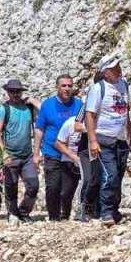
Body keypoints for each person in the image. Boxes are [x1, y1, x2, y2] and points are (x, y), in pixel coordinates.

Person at [85, 55, 131, 226]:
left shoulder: (124, 85)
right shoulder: (98, 89)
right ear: (105, 72)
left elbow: (125, 111)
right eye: (114, 67)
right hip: (104, 138)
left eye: (119, 66)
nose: (118, 69)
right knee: (110, 175)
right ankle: (105, 211)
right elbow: (90, 116)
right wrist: (93, 141)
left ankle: (114, 209)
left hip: (121, 139)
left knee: (119, 176)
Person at [34, 75, 84, 221]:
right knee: (53, 186)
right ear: (57, 87)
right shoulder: (48, 105)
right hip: (51, 151)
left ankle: (65, 214)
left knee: (68, 188)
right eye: (63, 86)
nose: (67, 88)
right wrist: (36, 153)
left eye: (69, 85)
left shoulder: (79, 105)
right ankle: (54, 217)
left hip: (70, 153)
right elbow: (39, 130)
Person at [0, 79, 39, 224]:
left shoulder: (28, 108)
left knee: (33, 185)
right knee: (11, 186)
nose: (15, 94)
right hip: (10, 155)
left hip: (27, 155)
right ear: (7, 92)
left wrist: (33, 100)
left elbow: (44, 113)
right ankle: (12, 213)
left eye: (18, 91)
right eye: (12, 91)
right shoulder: (3, 110)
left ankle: (24, 212)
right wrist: (3, 153)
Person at [75, 71, 105, 222]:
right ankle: (82, 207)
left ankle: (99, 209)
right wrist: (93, 130)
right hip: (86, 150)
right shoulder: (87, 105)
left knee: (102, 178)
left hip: (104, 146)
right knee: (88, 179)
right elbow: (77, 125)